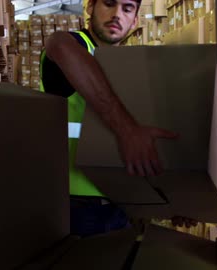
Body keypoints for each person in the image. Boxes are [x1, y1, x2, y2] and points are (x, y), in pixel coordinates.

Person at [39, 0, 179, 236]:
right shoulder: (73, 46)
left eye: (127, 8)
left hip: (123, 202)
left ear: (135, 20)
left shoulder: (129, 67)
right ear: (90, 7)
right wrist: (127, 131)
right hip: (76, 204)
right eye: (109, 3)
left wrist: (174, 199)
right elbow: (57, 44)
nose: (117, 14)